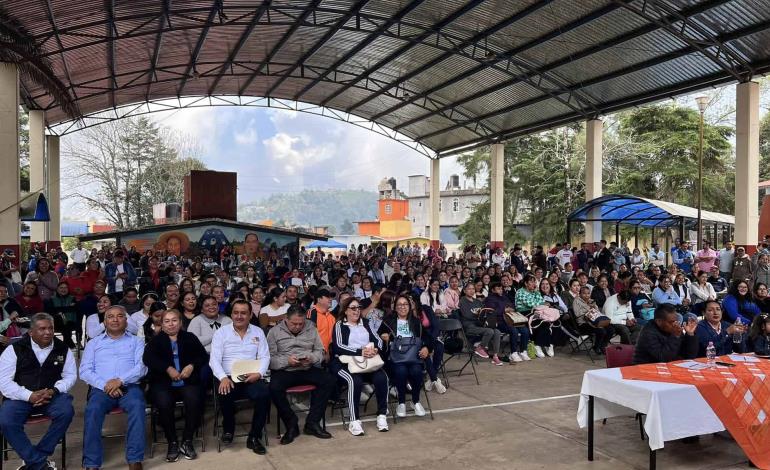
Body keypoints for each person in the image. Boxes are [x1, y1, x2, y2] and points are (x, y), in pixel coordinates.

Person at [0, 313, 76, 470]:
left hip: (51, 396)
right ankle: (39, 463)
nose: (48, 332)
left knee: (66, 411)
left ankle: (35, 457)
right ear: (31, 332)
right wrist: (29, 396)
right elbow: (4, 382)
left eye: (50, 328)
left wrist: (54, 390)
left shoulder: (62, 348)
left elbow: (70, 376)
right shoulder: (14, 349)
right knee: (6, 421)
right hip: (20, 397)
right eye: (42, 329)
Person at [80, 306, 147, 470]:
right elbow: (84, 371)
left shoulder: (136, 342)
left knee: (138, 406)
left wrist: (120, 381)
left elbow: (142, 368)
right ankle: (91, 462)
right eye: (110, 317)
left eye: (119, 316)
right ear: (104, 321)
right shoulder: (93, 344)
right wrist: (106, 385)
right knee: (92, 409)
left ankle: (134, 459)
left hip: (129, 387)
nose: (115, 320)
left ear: (126, 320)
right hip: (101, 389)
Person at [143, 309, 206, 462]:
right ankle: (172, 442)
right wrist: (167, 368)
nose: (171, 324)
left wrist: (191, 365)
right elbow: (148, 359)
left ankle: (187, 440)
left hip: (187, 381)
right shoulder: (156, 341)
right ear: (162, 324)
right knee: (164, 403)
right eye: (167, 321)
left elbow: (203, 356)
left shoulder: (190, 338)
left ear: (180, 322)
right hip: (163, 382)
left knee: (194, 399)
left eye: (174, 320)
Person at [209, 300, 270, 454]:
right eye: (236, 312)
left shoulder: (258, 332)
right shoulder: (221, 333)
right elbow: (214, 359)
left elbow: (265, 356)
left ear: (250, 315)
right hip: (228, 376)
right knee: (225, 392)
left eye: (243, 313)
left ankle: (255, 437)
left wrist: (259, 373)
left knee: (264, 394)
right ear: (231, 314)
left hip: (251, 376)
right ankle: (228, 428)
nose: (239, 316)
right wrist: (222, 377)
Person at [267, 306, 333, 443]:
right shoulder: (274, 332)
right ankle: (291, 423)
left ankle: (312, 422)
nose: (297, 327)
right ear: (286, 319)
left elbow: (320, 351)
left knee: (329, 380)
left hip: (307, 367)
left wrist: (312, 358)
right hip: (285, 370)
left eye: (301, 324)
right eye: (294, 324)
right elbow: (269, 359)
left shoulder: (311, 328)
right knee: (273, 387)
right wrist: (287, 361)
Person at [330, 297, 390, 436]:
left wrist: (375, 349)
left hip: (367, 362)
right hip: (344, 363)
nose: (357, 311)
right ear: (345, 311)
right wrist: (360, 351)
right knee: (354, 381)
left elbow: (378, 341)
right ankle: (354, 420)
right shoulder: (340, 325)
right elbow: (338, 347)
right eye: (353, 308)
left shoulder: (366, 323)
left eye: (358, 307)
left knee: (382, 378)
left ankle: (382, 415)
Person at [378, 294, 429, 418]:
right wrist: (383, 337)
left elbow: (427, 338)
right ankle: (401, 402)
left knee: (417, 371)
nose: (402, 307)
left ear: (410, 306)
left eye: (405, 304)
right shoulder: (388, 321)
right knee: (401, 371)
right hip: (396, 358)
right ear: (395, 307)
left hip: (414, 356)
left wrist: (426, 347)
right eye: (399, 305)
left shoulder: (416, 322)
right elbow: (378, 335)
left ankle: (415, 401)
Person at [632, 304, 698, 365]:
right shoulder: (648, 333)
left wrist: (690, 335)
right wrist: (675, 336)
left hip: (667, 369)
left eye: (676, 321)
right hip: (644, 370)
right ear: (659, 321)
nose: (675, 324)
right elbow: (663, 358)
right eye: (671, 322)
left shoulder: (674, 330)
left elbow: (689, 356)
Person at [459, 283, 503, 365]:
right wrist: (479, 315)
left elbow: (483, 312)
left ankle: (495, 356)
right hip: (469, 326)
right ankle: (480, 347)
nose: (471, 291)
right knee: (489, 331)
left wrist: (484, 315)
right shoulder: (462, 301)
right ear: (464, 291)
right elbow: (467, 315)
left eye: (473, 289)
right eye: (469, 289)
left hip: (480, 324)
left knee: (497, 332)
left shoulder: (477, 301)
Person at [515, 274, 553, 358]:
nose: (534, 284)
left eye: (534, 282)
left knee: (546, 322)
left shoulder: (535, 292)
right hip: (523, 314)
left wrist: (536, 292)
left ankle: (544, 344)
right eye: (531, 282)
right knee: (540, 322)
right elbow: (531, 304)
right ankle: (538, 344)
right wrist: (541, 304)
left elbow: (541, 301)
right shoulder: (520, 292)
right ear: (525, 283)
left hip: (535, 312)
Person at [573, 286, 613, 355]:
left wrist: (594, 307)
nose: (586, 295)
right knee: (601, 331)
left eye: (588, 293)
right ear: (580, 294)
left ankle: (602, 345)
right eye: (584, 293)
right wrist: (588, 310)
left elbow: (597, 312)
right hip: (583, 324)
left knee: (611, 329)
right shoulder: (576, 301)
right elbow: (577, 314)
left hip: (594, 321)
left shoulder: (591, 301)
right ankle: (596, 347)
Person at [44, 281, 77, 349]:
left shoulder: (72, 298)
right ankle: (68, 341)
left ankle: (62, 343)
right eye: (61, 287)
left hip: (70, 322)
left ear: (68, 289)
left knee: (66, 325)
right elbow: (50, 311)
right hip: (56, 323)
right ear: (57, 289)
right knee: (59, 317)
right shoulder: (51, 299)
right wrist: (67, 308)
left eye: (65, 288)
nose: (63, 289)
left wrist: (59, 309)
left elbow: (74, 309)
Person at [307, 288, 336, 354]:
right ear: (319, 299)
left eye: (331, 297)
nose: (331, 299)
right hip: (316, 354)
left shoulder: (332, 317)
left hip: (330, 354)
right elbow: (308, 336)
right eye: (328, 297)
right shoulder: (312, 313)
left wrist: (328, 351)